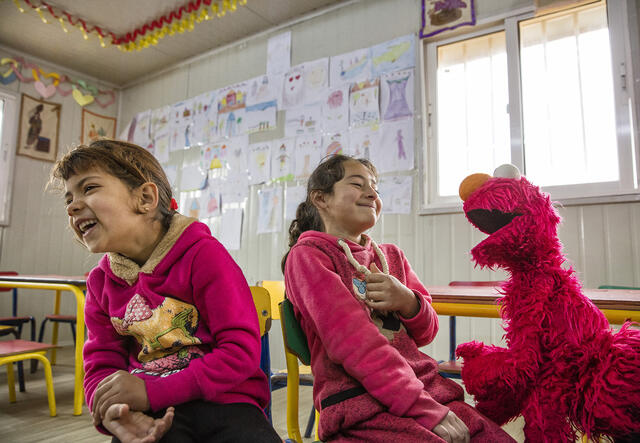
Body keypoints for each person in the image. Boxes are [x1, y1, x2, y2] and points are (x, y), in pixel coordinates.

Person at [50, 139, 281, 443]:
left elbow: (239, 353)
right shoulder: (100, 283)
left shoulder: (203, 255)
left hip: (226, 403)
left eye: (89, 188)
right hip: (150, 412)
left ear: (145, 197)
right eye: (69, 197)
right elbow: (101, 366)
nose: (72, 205)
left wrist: (149, 391)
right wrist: (113, 412)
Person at [281, 154, 515, 443]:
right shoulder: (309, 256)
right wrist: (423, 409)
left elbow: (428, 332)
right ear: (321, 199)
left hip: (426, 390)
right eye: (357, 184)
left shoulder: (392, 255)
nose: (371, 193)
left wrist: (408, 301)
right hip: (360, 403)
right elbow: (354, 343)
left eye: (375, 188)